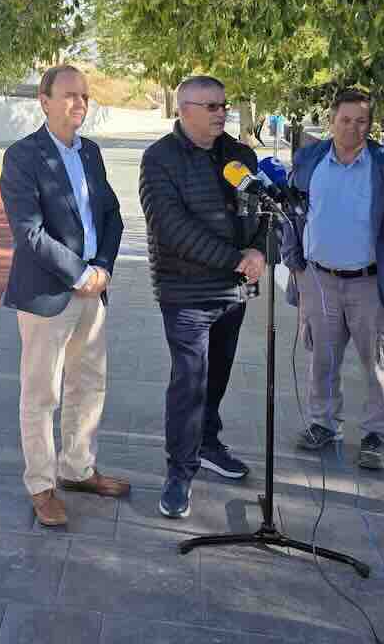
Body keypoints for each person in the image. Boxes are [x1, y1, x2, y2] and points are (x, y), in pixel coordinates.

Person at [0, 64, 128, 527]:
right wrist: (80, 274)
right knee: (41, 393)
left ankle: (78, 468)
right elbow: (28, 234)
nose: (80, 104)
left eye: (86, 97)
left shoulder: (91, 153)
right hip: (48, 294)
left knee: (89, 384)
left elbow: (112, 214)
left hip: (94, 290)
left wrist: (105, 268)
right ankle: (42, 486)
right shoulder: (23, 156)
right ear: (44, 100)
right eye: (70, 95)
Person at [140, 75, 265, 519]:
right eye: (210, 106)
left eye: (223, 105)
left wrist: (259, 252)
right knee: (189, 381)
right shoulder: (159, 159)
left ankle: (208, 443)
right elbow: (171, 229)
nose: (220, 113)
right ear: (183, 109)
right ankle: (179, 472)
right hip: (186, 292)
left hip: (234, 291)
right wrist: (236, 258)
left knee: (218, 377)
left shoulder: (241, 155)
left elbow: (261, 210)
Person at [281, 89, 384, 470]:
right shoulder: (309, 157)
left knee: (378, 362)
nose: (353, 128)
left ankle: (376, 434)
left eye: (362, 121)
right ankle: (323, 424)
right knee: (321, 358)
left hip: (370, 282)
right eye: (345, 120)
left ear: (370, 124)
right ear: (332, 121)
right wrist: (294, 264)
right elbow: (292, 212)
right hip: (318, 278)